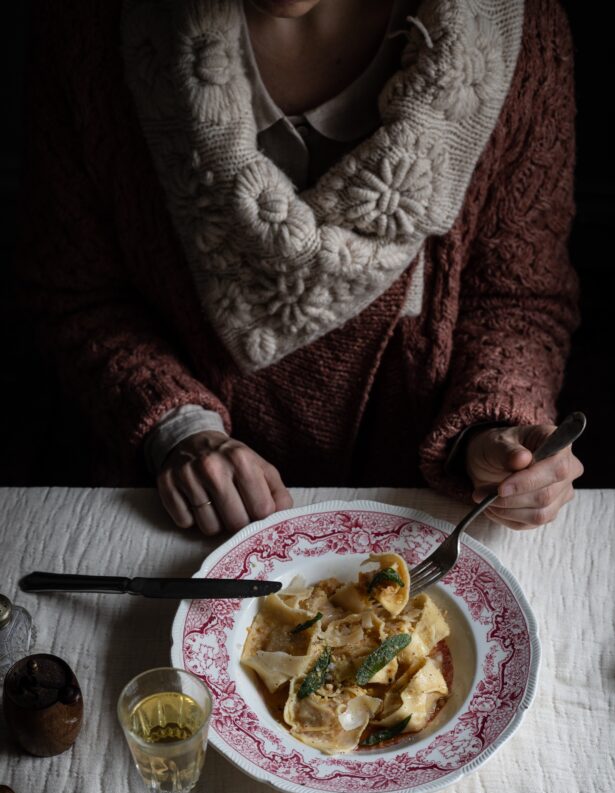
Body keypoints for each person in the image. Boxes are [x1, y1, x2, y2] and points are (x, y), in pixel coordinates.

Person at [17, 0, 583, 536]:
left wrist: (496, 432)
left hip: (425, 510)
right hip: (175, 512)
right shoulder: (91, 29)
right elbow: (76, 293)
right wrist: (176, 425)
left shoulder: (516, 33)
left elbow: (517, 297)